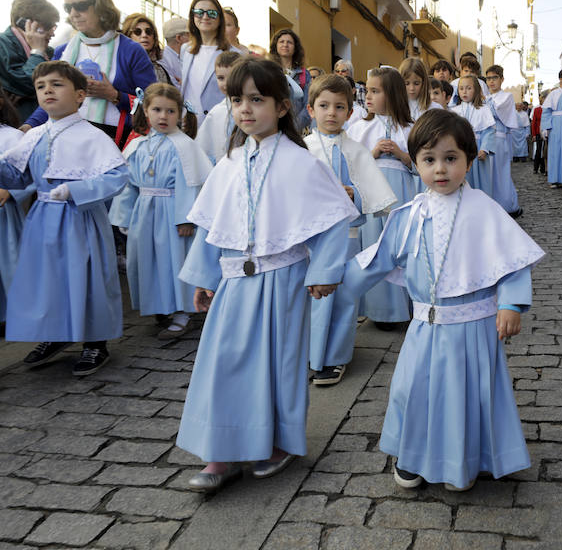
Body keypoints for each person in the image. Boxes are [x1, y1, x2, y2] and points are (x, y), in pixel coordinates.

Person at [325, 109, 544, 491]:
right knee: (415, 390)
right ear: (417, 164)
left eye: (450, 158)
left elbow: (511, 262)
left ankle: (462, 461)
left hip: (473, 329)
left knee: (466, 395)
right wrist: (335, 280)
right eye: (429, 160)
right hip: (425, 329)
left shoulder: (485, 211)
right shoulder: (410, 215)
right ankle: (412, 456)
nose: (440, 169)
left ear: (469, 160)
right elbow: (377, 259)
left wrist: (510, 304)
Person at [176, 57, 358, 492]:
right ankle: (219, 452)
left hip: (284, 281)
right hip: (235, 283)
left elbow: (336, 219)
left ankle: (278, 443)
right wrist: (205, 276)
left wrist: (326, 269)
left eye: (256, 99)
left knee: (280, 365)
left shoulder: (302, 162)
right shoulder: (229, 163)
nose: (245, 109)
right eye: (237, 99)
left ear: (280, 106)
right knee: (223, 363)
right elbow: (211, 225)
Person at [0, 61, 128, 375]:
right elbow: (16, 175)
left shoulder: (91, 136)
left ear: (80, 95)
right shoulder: (32, 136)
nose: (47, 91)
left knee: (87, 276)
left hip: (79, 218)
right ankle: (56, 332)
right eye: (41, 87)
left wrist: (76, 191)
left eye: (57, 84)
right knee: (48, 278)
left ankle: (95, 342)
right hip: (43, 217)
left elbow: (117, 175)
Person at [304, 74, 396, 385]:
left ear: (350, 112)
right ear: (311, 109)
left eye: (339, 106)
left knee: (342, 295)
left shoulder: (355, 149)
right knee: (309, 295)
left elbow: (373, 190)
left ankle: (334, 357)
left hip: (346, 235)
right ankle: (308, 354)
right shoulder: (302, 149)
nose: (331, 113)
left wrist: (354, 193)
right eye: (324, 105)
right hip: (309, 238)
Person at [109, 83, 212, 339]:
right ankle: (160, 304)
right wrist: (124, 215)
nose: (163, 116)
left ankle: (183, 311)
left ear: (180, 114)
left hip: (172, 211)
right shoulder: (138, 146)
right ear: (146, 110)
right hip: (145, 213)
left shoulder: (184, 146)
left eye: (170, 111)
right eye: (157, 110)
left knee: (174, 259)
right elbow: (128, 184)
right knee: (149, 260)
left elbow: (190, 184)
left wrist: (185, 218)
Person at [23, 0, 156, 147]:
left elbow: (154, 103)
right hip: (67, 138)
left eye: (80, 6)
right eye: (68, 7)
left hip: (115, 142)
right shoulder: (63, 51)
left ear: (100, 7)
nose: (73, 13)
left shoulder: (131, 50)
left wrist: (114, 95)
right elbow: (50, 98)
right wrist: (28, 126)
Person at [346, 67, 414, 329]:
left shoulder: (408, 128)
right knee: (375, 245)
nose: (369, 97)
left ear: (393, 94)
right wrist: (372, 153)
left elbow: (420, 165)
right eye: (367, 91)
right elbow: (352, 166)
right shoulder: (359, 128)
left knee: (399, 243)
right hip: (373, 194)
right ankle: (381, 309)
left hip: (401, 193)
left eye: (375, 91)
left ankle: (406, 303)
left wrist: (400, 153)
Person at [0, 89, 34, 334]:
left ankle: (14, 314)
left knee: (8, 265)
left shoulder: (12, 138)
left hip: (4, 216)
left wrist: (11, 192)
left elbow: (30, 175)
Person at [180, 0, 239, 126]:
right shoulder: (186, 50)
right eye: (199, 12)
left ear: (220, 19)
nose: (205, 17)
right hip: (188, 124)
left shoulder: (234, 55)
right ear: (192, 17)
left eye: (211, 13)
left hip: (218, 125)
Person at [0, 0, 58, 122]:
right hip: (16, 128)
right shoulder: (3, 45)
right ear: (24, 23)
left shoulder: (49, 52)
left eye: (54, 27)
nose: (52, 34)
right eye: (48, 26)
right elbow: (26, 83)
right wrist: (37, 52)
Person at [451, 74, 495, 198]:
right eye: (461, 88)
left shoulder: (484, 109)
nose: (464, 92)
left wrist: (484, 149)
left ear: (476, 89)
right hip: (460, 150)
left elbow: (489, 131)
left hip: (478, 149)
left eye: (468, 88)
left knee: (481, 181)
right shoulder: (454, 111)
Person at [485, 65, 521, 217]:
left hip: (499, 138)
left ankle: (508, 205)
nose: (491, 82)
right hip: (487, 139)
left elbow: (499, 113)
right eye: (488, 78)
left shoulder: (506, 97)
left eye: (494, 78)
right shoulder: (485, 98)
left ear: (501, 79)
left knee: (501, 173)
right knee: (488, 173)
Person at [195, 51, 241, 164]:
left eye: (231, 77)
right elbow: (204, 148)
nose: (226, 84)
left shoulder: (251, 108)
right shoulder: (216, 112)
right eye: (221, 78)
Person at [269, 29, 311, 130]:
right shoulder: (268, 71)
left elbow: (308, 105)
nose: (285, 45)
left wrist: (293, 128)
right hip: (272, 128)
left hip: (298, 129)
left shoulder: (304, 74)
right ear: (276, 45)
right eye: (281, 41)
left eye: (289, 42)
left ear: (295, 48)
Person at [541, 68, 562, 188]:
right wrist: (546, 127)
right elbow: (546, 111)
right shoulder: (553, 94)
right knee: (556, 151)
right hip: (556, 125)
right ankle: (555, 178)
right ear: (560, 78)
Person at [122, 13, 171, 84]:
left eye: (149, 31)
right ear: (128, 36)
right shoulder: (120, 66)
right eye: (137, 32)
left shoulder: (160, 68)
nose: (144, 35)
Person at [160, 17, 189, 89]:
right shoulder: (162, 60)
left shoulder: (188, 57)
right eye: (191, 35)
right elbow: (174, 90)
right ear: (178, 38)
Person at [530, 97, 545, 174]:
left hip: (547, 132)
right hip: (539, 132)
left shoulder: (549, 109)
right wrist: (534, 134)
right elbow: (534, 122)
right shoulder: (537, 109)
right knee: (539, 150)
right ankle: (536, 168)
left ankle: (544, 168)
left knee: (545, 151)